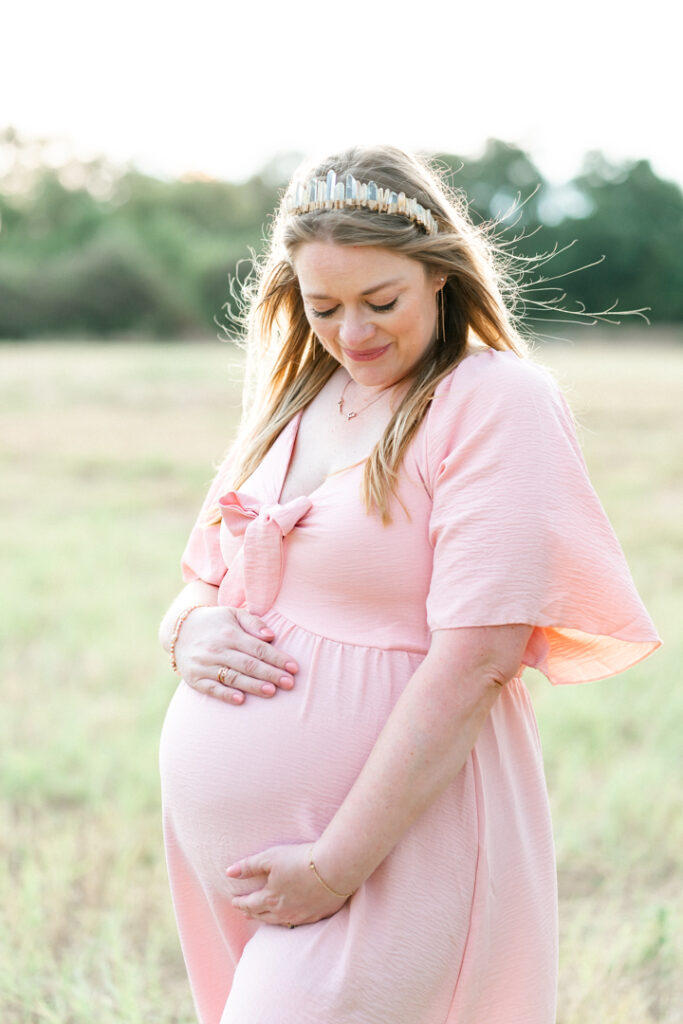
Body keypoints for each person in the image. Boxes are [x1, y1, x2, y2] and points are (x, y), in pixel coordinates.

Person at [158, 144, 660, 1024]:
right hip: (242, 865)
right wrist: (188, 631)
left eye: (379, 302)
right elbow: (201, 582)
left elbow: (478, 659)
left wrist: (336, 863)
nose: (352, 334)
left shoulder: (493, 399)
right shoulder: (295, 403)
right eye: (324, 308)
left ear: (438, 277)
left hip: (390, 846)